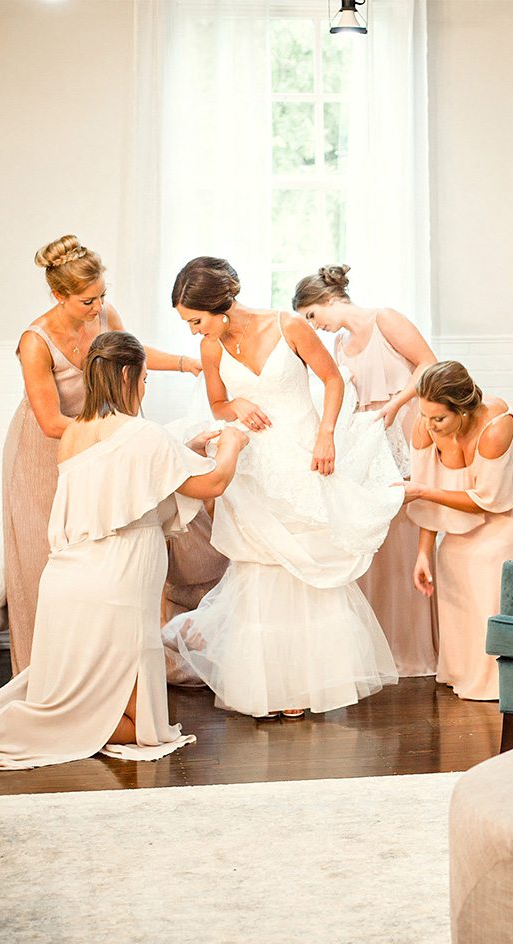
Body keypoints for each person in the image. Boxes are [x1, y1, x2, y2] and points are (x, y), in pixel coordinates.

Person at [0, 332, 247, 769]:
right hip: (116, 585)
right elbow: (211, 484)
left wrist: (183, 453)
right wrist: (231, 447)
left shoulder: (75, 433)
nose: (146, 388)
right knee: (145, 730)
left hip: (69, 580)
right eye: (146, 379)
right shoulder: (142, 433)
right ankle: (11, 722)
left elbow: (125, 484)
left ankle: (13, 716)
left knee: (103, 706)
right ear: (130, 374)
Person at [162, 257, 404, 719]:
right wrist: (236, 403)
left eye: (195, 320)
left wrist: (327, 433)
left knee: (304, 569)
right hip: (251, 469)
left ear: (220, 305)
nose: (194, 332)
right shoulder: (212, 348)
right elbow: (217, 402)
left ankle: (305, 686)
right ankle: (268, 688)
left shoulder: (289, 325)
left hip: (302, 456)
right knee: (260, 571)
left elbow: (332, 379)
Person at [4, 234, 204, 675]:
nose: (97, 308)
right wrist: (122, 436)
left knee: (115, 546)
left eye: (101, 297)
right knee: (52, 558)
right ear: (59, 295)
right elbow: (51, 422)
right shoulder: (35, 342)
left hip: (102, 434)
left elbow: (129, 353)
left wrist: (186, 363)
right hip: (48, 448)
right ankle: (49, 673)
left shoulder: (104, 313)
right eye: (85, 301)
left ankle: (116, 668)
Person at [292, 264, 439, 677]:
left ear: (327, 301)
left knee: (412, 528)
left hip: (407, 425)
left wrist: (395, 405)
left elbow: (429, 363)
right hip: (372, 440)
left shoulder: (384, 319)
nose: (314, 327)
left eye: (312, 317)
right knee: (379, 537)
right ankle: (385, 648)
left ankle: (418, 647)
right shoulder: (338, 345)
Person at [401, 361, 513, 701]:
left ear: (462, 410)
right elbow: (428, 490)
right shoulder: (425, 426)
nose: (430, 426)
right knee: (451, 555)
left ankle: (505, 672)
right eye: (425, 416)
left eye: (439, 419)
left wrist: (421, 492)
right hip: (495, 489)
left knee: (491, 558)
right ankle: (464, 669)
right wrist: (423, 554)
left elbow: (490, 500)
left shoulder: (494, 429)